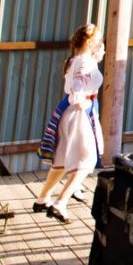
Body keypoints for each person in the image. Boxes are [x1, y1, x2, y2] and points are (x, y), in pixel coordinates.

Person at [33, 24, 104, 224]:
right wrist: (81, 101)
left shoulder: (76, 60)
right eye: (98, 40)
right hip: (79, 112)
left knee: (62, 158)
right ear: (90, 41)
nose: (100, 43)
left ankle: (42, 199)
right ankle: (60, 203)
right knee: (86, 160)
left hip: (69, 112)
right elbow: (77, 86)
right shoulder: (84, 62)